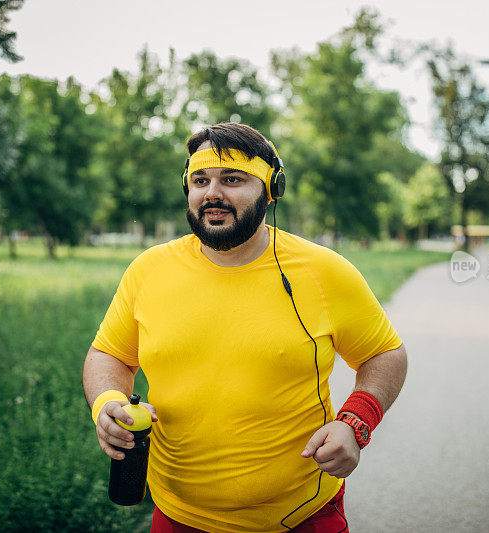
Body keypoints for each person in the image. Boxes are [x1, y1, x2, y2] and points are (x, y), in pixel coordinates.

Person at [82, 122, 408, 533]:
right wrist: (107, 402)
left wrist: (355, 423)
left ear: (271, 189)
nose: (212, 193)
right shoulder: (149, 270)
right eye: (200, 180)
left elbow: (385, 354)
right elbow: (109, 354)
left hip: (301, 514)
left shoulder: (323, 272)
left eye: (232, 179)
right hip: (176, 514)